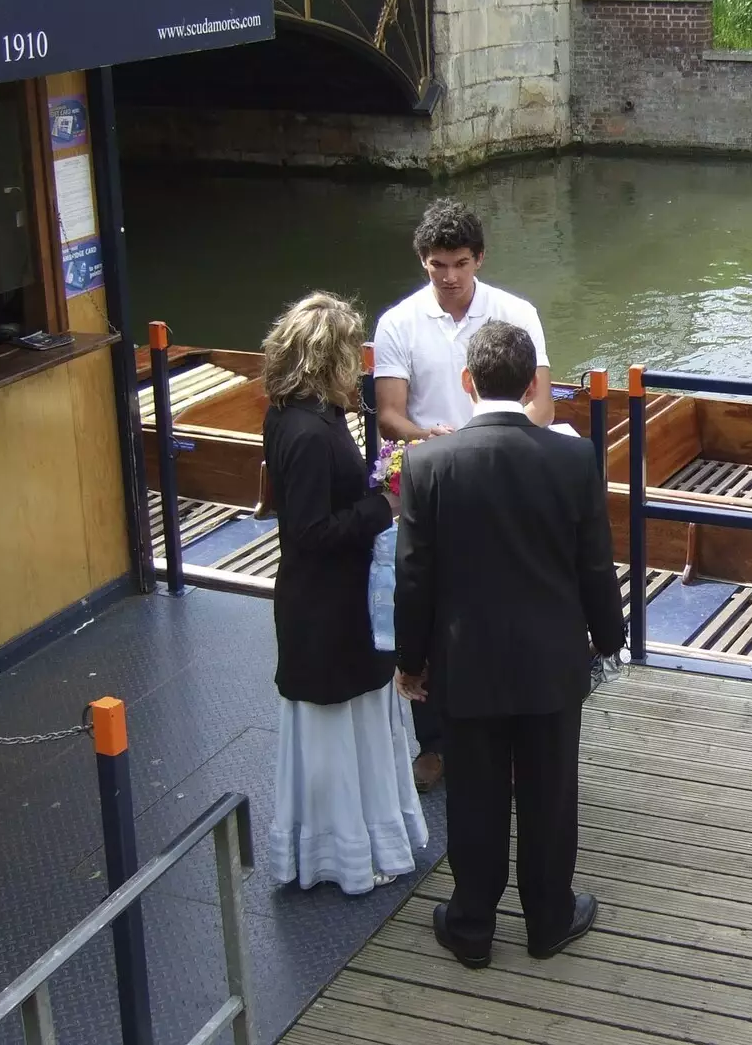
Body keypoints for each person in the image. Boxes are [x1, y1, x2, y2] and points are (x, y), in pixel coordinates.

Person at [393, 320, 625, 967]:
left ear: (468, 382)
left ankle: (471, 926)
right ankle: (549, 919)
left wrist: (411, 663)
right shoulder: (573, 458)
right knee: (550, 794)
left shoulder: (427, 462)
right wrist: (609, 637)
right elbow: (594, 565)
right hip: (551, 662)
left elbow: (413, 576)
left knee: (475, 795)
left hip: (467, 663)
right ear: (531, 384)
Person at [373, 198, 555, 794]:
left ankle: (498, 732)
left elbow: (542, 406)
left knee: (499, 605)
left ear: (479, 258)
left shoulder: (516, 312)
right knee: (427, 606)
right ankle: (434, 741)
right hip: (434, 483)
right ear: (422, 262)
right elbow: (390, 416)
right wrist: (432, 438)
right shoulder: (399, 322)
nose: (448, 277)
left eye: (458, 263)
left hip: (501, 480)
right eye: (436, 265)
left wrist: (484, 443)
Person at [262, 292, 429, 896]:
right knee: (338, 729)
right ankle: (347, 852)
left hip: (337, 600)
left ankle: (353, 842)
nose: (359, 368)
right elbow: (307, 533)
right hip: (325, 606)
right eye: (350, 356)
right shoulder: (308, 433)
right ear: (328, 360)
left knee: (354, 719)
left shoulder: (298, 414)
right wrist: (382, 504)